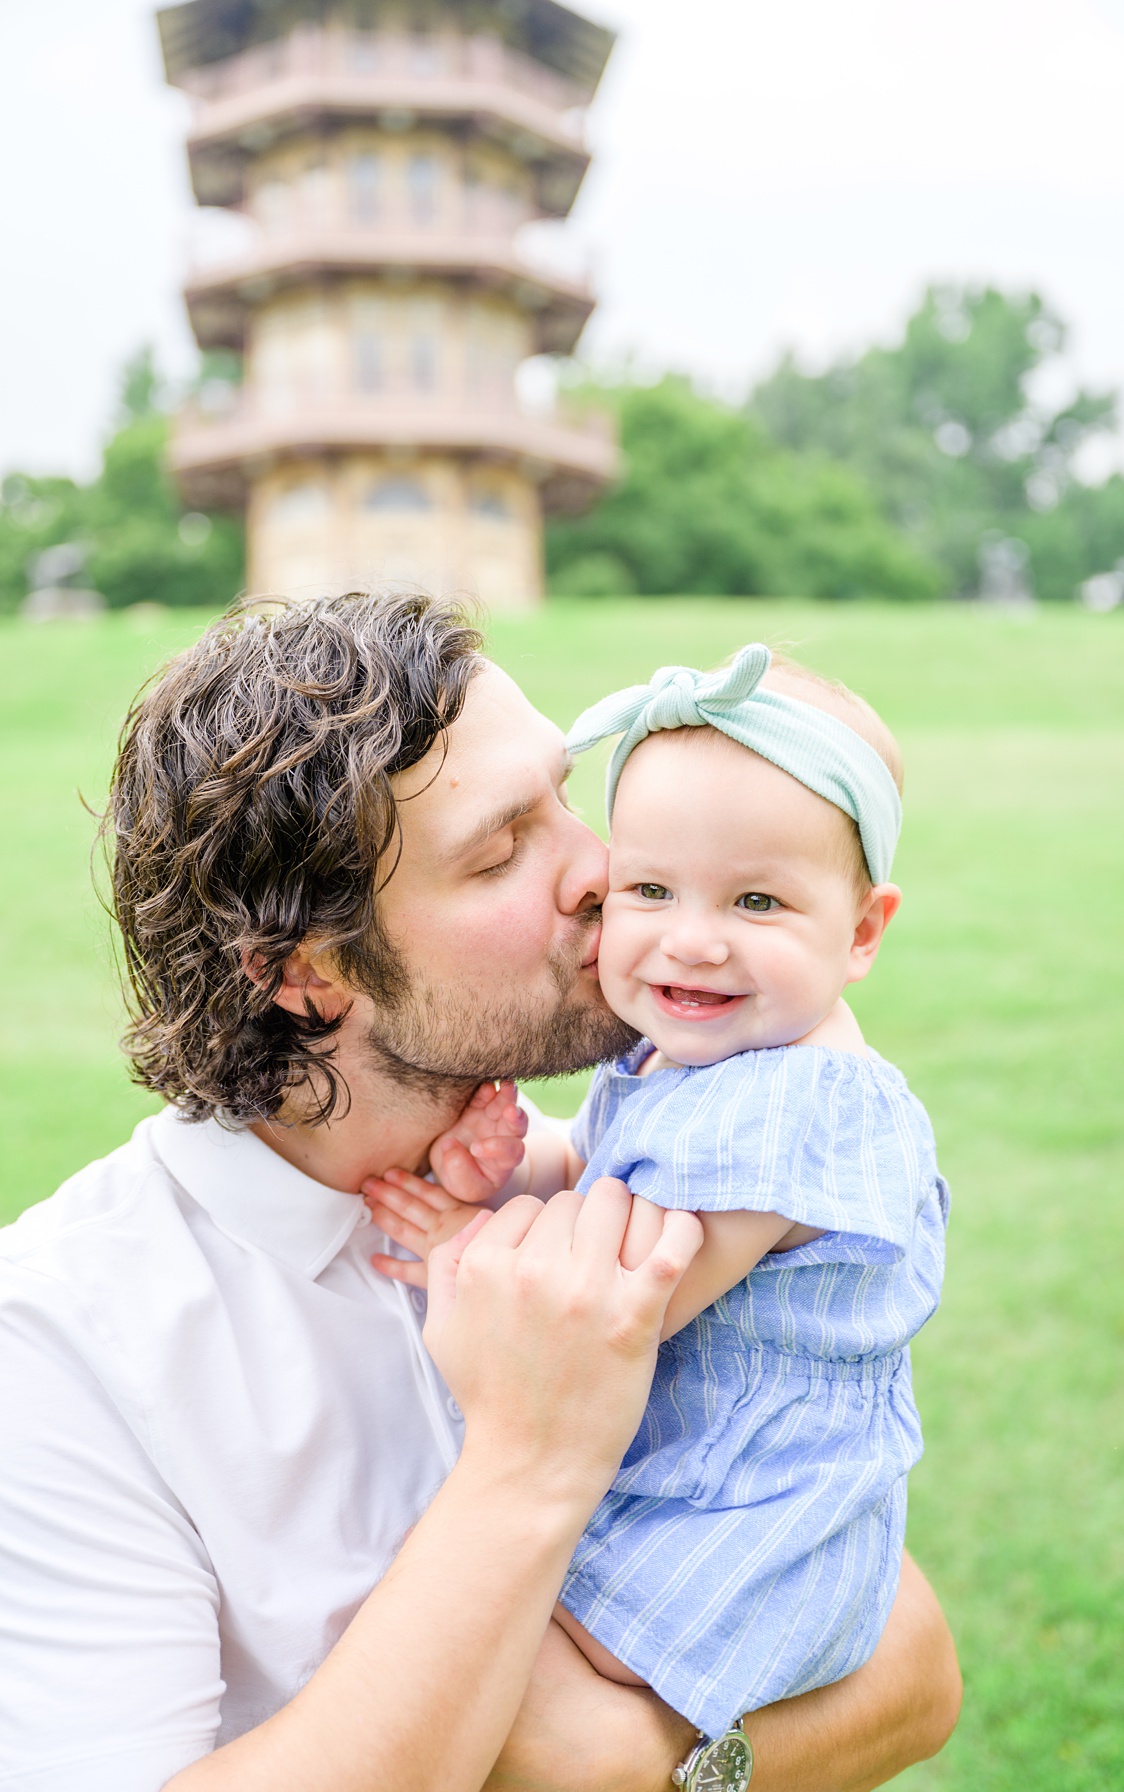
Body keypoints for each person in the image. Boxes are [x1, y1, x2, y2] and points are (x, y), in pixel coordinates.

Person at [0, 592, 960, 1790]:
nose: (606, 874)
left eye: (568, 799)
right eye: (505, 850)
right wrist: (529, 1460)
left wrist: (628, 1762)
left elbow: (915, 1660)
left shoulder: (583, 1170)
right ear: (307, 971)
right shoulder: (61, 1345)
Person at [364, 646, 948, 1747]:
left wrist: (461, 1241)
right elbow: (604, 1181)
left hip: (741, 1529)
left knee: (483, 1699)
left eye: (758, 900)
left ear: (862, 931)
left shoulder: (795, 1105)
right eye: (649, 888)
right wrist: (524, 1170)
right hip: (684, 1479)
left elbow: (626, 1292)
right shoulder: (691, 1055)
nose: (692, 936)